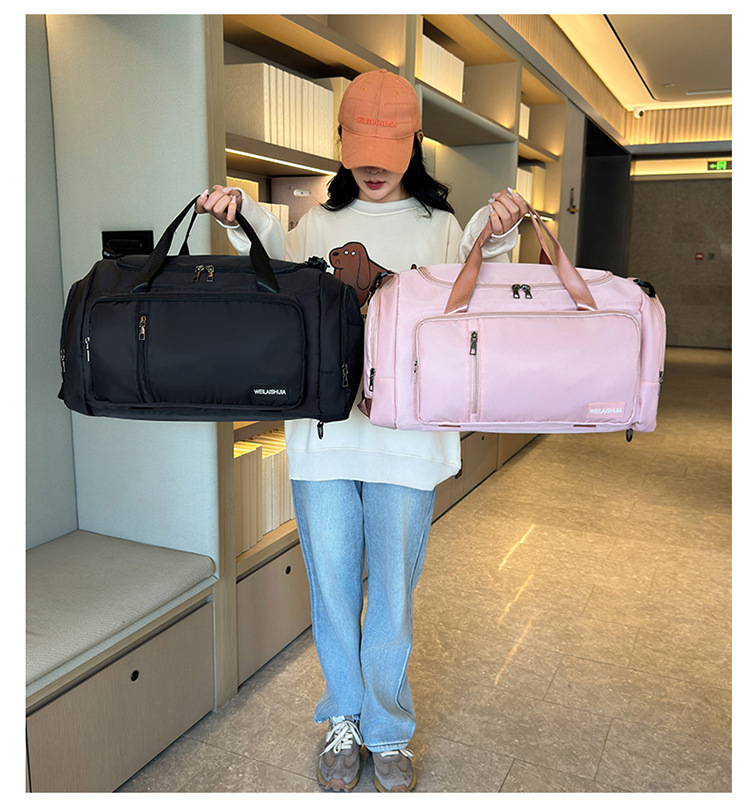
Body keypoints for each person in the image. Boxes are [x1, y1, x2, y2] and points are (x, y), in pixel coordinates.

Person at [197, 69, 526, 793]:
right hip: (323, 440)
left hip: (407, 442)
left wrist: (496, 231)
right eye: (361, 150)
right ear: (341, 142)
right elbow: (273, 254)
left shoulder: (440, 227)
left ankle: (388, 729)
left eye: (390, 150)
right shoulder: (316, 223)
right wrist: (237, 213)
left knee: (394, 596)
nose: (374, 167)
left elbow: (476, 275)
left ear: (415, 144)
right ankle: (343, 715)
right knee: (334, 590)